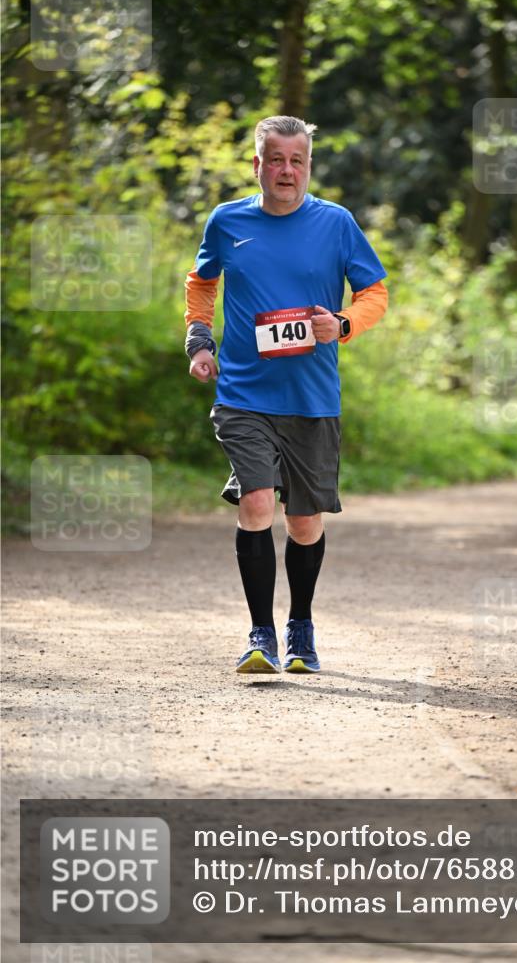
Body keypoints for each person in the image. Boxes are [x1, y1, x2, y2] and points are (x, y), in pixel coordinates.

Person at [184, 115, 388, 675]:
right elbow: (202, 281)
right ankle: (261, 634)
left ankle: (300, 626)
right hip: (243, 394)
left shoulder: (336, 223)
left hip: (311, 396)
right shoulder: (227, 221)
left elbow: (374, 292)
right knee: (256, 502)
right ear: (258, 165)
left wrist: (342, 324)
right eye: (276, 160)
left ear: (309, 166)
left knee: (304, 522)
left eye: (297, 161)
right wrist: (199, 338)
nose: (287, 171)